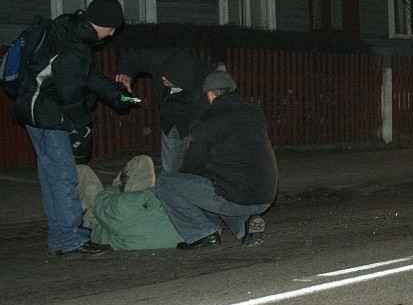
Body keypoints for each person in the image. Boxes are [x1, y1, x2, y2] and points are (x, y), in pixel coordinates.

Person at [15, 0, 130, 255]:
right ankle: (70, 238)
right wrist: (81, 125)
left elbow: (88, 75)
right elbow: (71, 92)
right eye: (111, 28)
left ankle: (61, 236)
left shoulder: (74, 32)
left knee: (53, 176)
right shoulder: (75, 43)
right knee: (64, 176)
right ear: (100, 22)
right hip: (47, 115)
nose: (112, 35)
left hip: (38, 110)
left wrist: (116, 94)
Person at [156, 68, 278, 249]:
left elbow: (194, 163)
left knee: (166, 183)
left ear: (210, 94)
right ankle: (244, 226)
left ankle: (204, 234)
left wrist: (185, 181)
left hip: (236, 197)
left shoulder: (208, 119)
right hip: (265, 194)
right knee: (223, 187)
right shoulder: (255, 113)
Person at [114, 48, 211, 173]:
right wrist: (126, 74)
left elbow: (207, 116)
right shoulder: (159, 59)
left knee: (198, 164)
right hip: (170, 117)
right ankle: (170, 184)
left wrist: (197, 136)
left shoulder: (203, 85)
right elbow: (133, 58)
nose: (163, 78)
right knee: (171, 163)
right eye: (164, 75)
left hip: (191, 115)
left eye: (169, 78)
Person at [76, 155, 183, 250]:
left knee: (82, 171)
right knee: (143, 161)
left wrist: (114, 188)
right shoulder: (184, 212)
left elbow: (99, 205)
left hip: (101, 226)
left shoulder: (123, 206)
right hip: (145, 220)